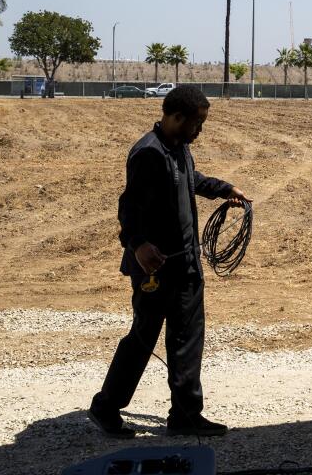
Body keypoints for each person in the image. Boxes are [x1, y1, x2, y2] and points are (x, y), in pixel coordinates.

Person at [89, 85, 251, 438]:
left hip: (186, 265)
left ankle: (186, 414)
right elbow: (127, 207)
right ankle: (105, 406)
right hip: (155, 267)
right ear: (177, 117)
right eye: (197, 123)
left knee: (188, 338)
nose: (200, 130)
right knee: (143, 338)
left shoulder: (180, 148)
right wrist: (138, 245)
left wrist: (225, 189)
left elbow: (191, 180)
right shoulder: (148, 153)